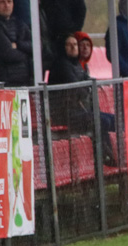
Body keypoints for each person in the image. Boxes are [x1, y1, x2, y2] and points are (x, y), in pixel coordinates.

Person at [49, 33, 117, 165]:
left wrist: (86, 88)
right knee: (101, 120)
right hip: (65, 114)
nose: (73, 48)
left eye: (75, 45)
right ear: (63, 47)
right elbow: (78, 89)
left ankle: (114, 154)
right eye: (69, 45)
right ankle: (104, 157)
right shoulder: (61, 65)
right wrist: (86, 88)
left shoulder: (78, 65)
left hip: (81, 111)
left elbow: (86, 85)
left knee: (113, 120)